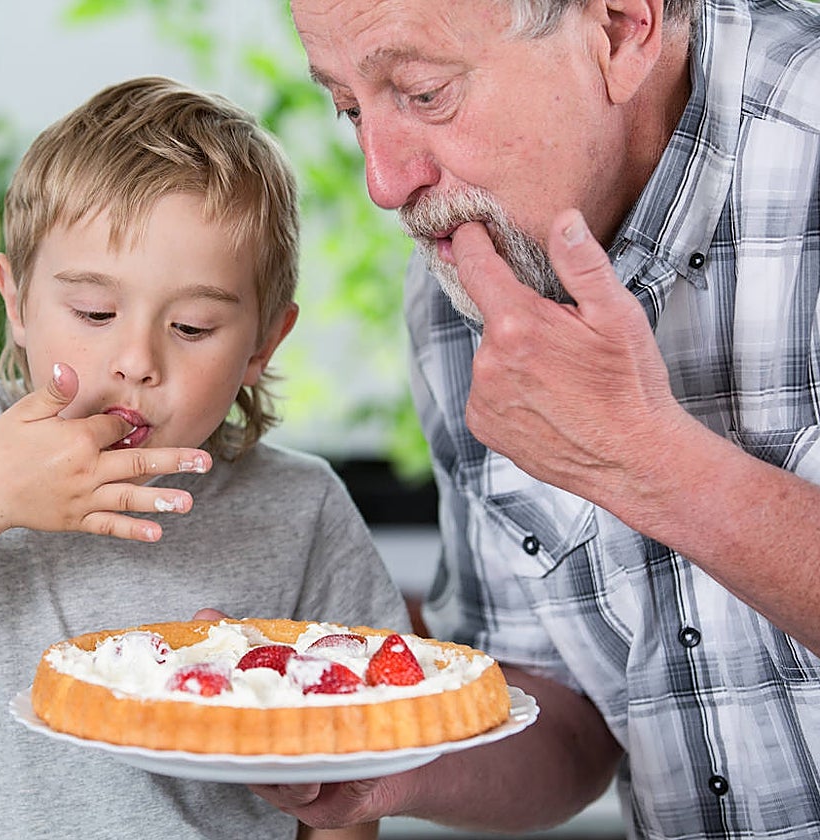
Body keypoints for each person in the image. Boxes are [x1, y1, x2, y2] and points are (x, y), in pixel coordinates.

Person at [0, 76, 408, 840]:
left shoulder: (301, 510)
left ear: (264, 343)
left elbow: (354, 781)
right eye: (94, 312)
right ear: (17, 302)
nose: (136, 360)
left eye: (191, 327)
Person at [253, 0, 820, 837]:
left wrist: (650, 463)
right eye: (349, 108)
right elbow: (571, 716)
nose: (384, 183)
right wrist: (386, 760)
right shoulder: (473, 276)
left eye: (425, 92)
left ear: (621, 28)